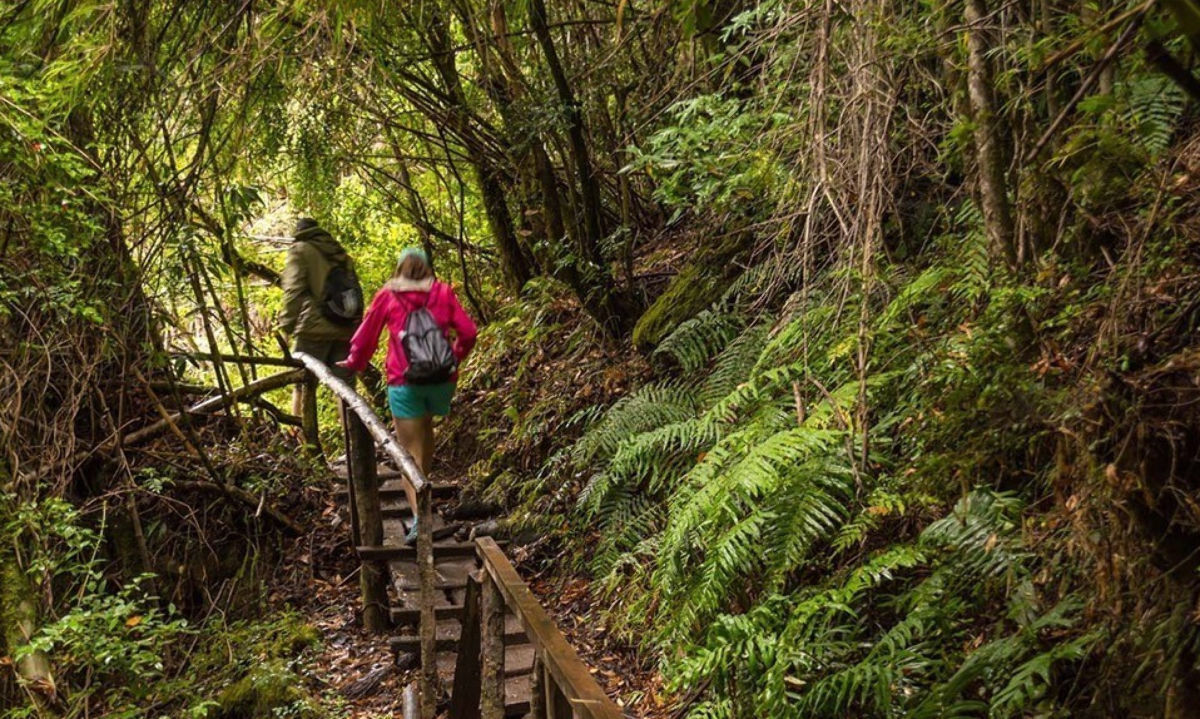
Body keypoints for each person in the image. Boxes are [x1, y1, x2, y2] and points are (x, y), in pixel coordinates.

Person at [338, 247, 477, 544]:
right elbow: (468, 332)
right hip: (441, 381)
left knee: (408, 452)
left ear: (399, 269)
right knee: (425, 434)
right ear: (427, 268)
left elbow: (367, 335)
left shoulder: (388, 295)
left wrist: (354, 362)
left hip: (404, 382)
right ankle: (424, 494)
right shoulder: (442, 292)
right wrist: (455, 357)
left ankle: (419, 519)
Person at [278, 218, 363, 429]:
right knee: (346, 390)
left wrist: (286, 326)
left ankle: (301, 441)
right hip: (345, 326)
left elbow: (293, 290)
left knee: (303, 384)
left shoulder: (300, 250)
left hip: (314, 329)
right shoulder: (338, 251)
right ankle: (353, 445)